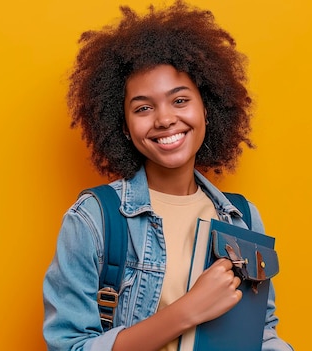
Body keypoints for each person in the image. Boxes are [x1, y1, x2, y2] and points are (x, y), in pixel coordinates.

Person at [42, 1, 293, 350]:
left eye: (179, 100)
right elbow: (70, 346)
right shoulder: (94, 220)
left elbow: (261, 335)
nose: (164, 119)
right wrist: (187, 311)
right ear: (124, 127)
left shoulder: (243, 219)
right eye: (143, 108)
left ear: (206, 106)